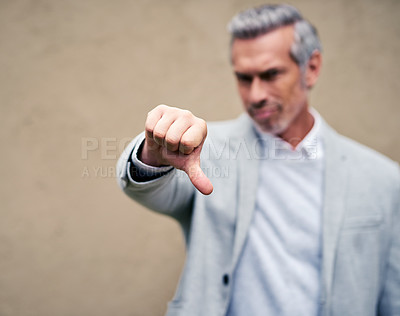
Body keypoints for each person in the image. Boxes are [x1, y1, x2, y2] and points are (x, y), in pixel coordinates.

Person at [117, 4, 399, 316]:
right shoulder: (201, 153)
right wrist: (153, 156)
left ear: (312, 67)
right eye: (244, 78)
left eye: (270, 74)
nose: (255, 95)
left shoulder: (383, 180)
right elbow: (146, 189)